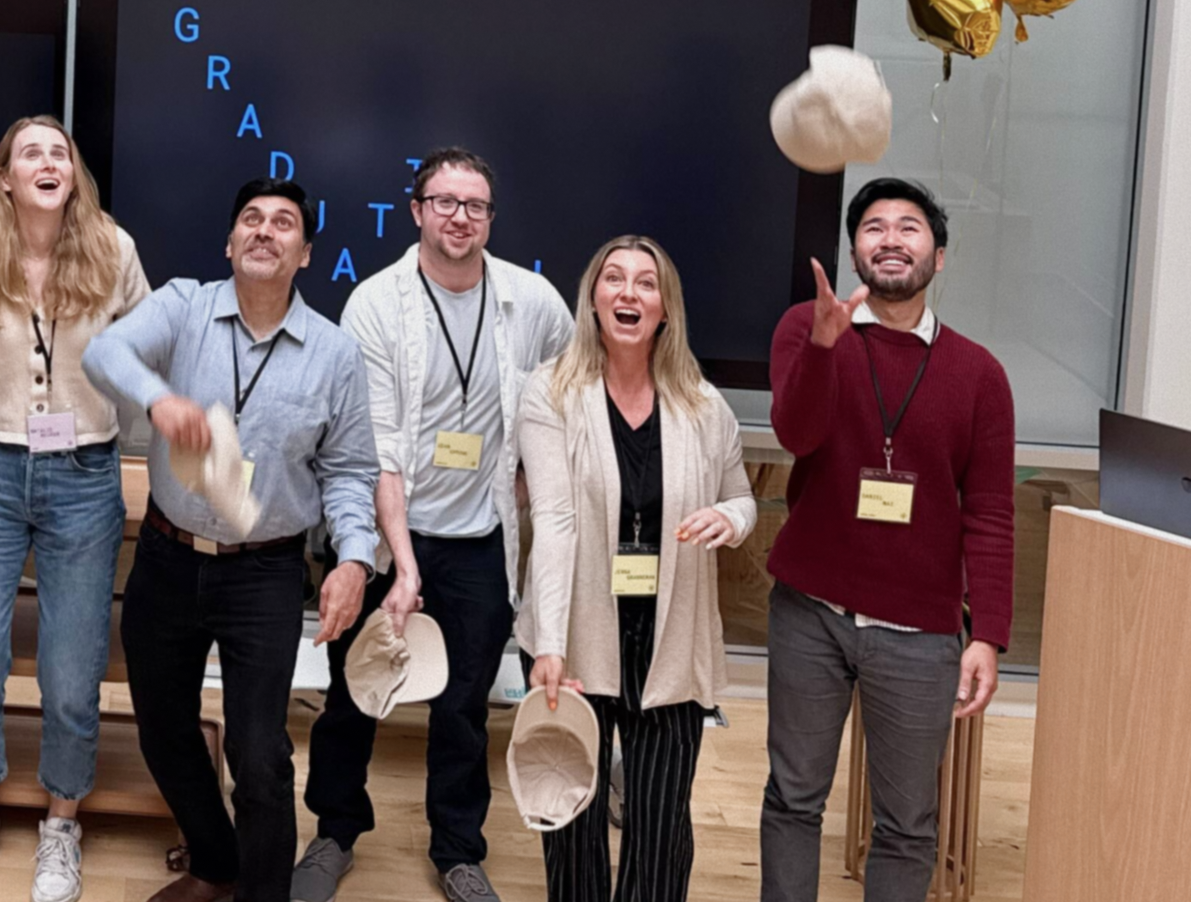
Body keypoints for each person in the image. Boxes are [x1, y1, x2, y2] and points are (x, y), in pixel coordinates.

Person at [85, 177, 381, 903]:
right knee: (161, 727)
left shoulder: (335, 354)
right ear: (229, 241)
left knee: (260, 753)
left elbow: (348, 471)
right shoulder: (184, 305)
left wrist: (354, 558)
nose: (264, 231)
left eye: (284, 224)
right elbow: (104, 352)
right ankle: (217, 861)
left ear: (305, 254)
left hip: (266, 573)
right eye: (251, 218)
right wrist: (158, 397)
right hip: (165, 556)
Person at [313, 148, 572, 903]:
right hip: (387, 532)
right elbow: (379, 447)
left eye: (476, 204)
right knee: (356, 692)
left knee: (463, 704)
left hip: (483, 538)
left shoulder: (532, 300)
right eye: (445, 201)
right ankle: (333, 833)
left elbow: (561, 394)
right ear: (417, 208)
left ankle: (459, 850)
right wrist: (402, 566)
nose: (461, 216)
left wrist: (527, 483)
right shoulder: (375, 302)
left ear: (491, 217)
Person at [760, 179, 1013, 902]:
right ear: (853, 250)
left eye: (910, 226)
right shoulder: (806, 329)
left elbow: (991, 512)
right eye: (874, 227)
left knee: (907, 824)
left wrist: (987, 633)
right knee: (793, 797)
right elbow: (796, 435)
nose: (892, 238)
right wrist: (820, 347)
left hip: (920, 631)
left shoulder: (981, 375)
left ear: (940, 255)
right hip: (811, 610)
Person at [0, 117, 153, 903]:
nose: (50, 161)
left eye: (61, 152)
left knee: (70, 673)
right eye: (32, 152)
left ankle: (62, 824)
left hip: (85, 471)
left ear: (73, 174)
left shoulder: (114, 250)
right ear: (4, 177)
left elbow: (147, 349)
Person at [516, 236, 755, 902]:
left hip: (671, 641)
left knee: (659, 830)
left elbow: (741, 495)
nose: (629, 292)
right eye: (613, 279)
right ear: (593, 301)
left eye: (645, 283)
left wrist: (731, 520)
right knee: (571, 817)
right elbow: (556, 520)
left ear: (665, 308)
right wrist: (552, 644)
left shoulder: (704, 405)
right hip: (578, 635)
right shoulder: (552, 392)